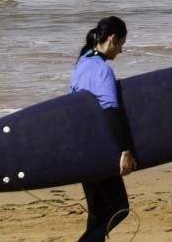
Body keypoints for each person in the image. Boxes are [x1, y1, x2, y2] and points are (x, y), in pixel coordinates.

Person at [69, 16, 136, 242]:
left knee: (98, 214)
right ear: (112, 39)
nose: (121, 50)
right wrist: (125, 150)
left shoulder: (82, 63)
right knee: (119, 207)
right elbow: (110, 110)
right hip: (99, 149)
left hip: (80, 146)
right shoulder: (101, 70)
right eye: (121, 45)